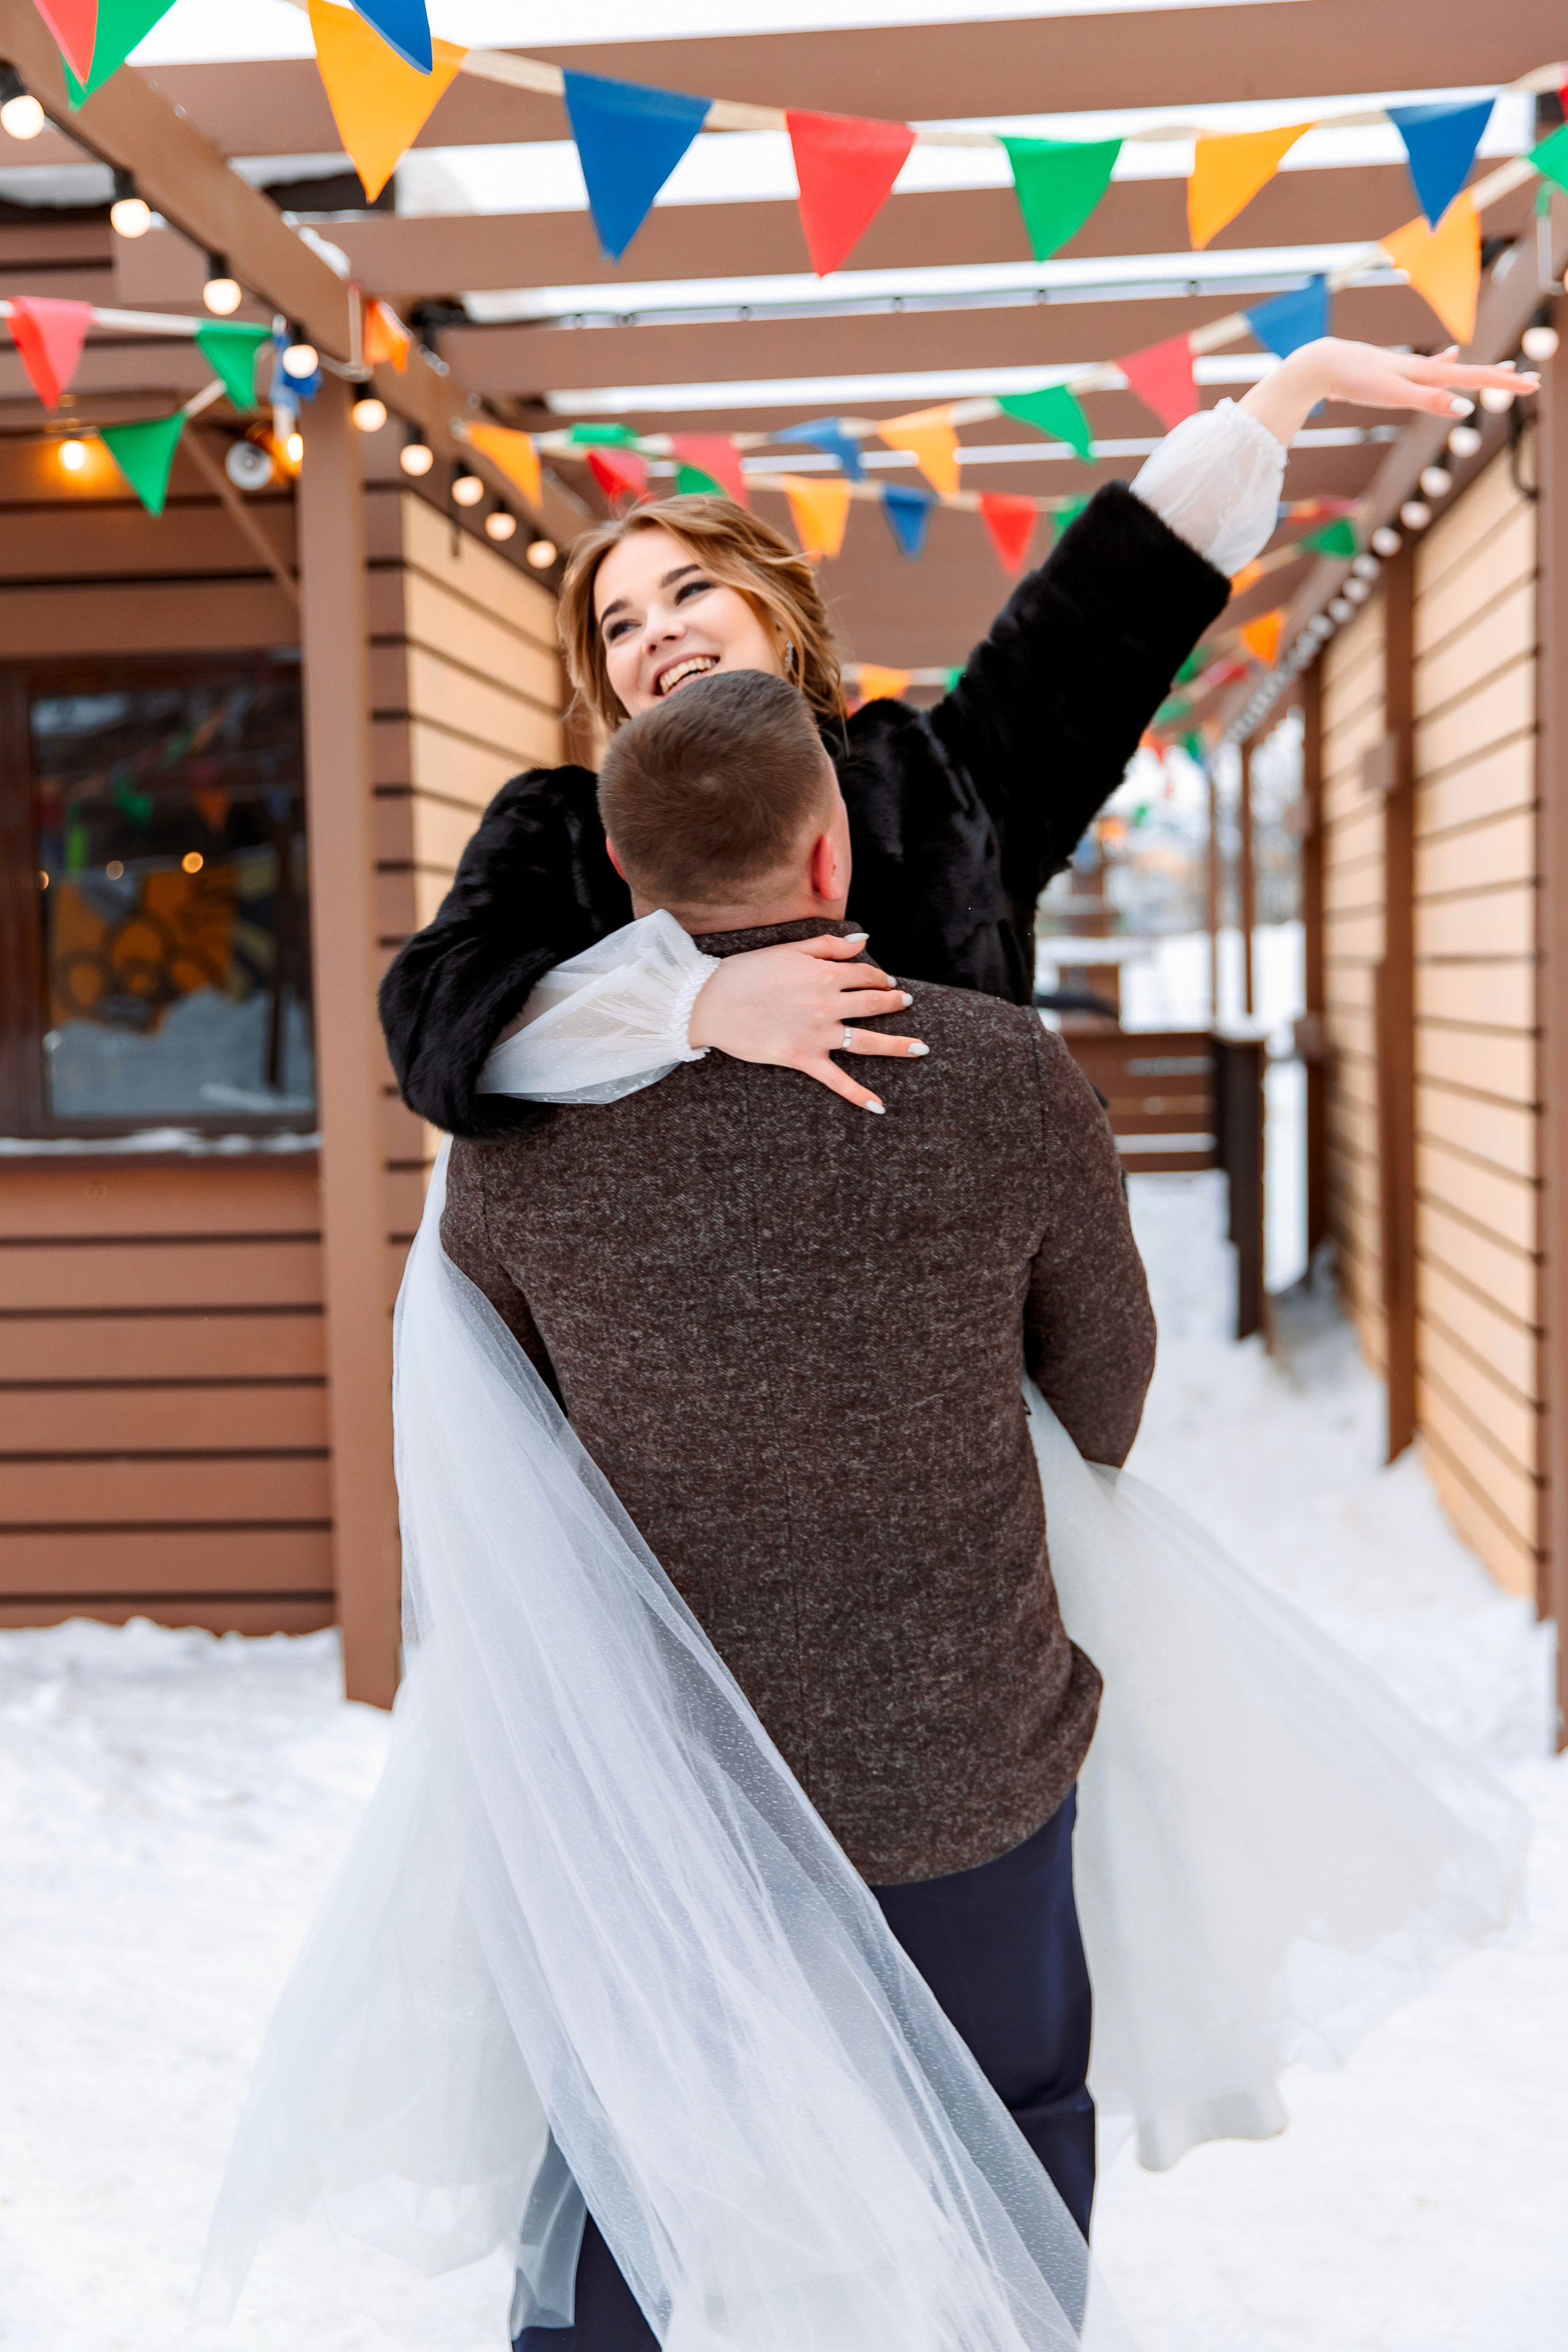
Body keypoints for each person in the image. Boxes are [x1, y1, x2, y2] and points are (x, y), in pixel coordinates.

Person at [441, 668, 1158, 2347]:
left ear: (626, 877)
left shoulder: (520, 1135)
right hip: (963, 1744)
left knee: (638, 2161)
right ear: (832, 851)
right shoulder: (999, 1072)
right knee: (1009, 2130)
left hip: (663, 1775)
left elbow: (499, 1418)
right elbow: (1103, 1381)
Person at [379, 337, 1533, 1135]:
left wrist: (1294, 386)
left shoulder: (939, 780)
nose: (657, 632)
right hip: (676, 1368)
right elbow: (439, 1028)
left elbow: (1098, 617)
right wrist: (691, 1006)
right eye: (620, 624)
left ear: (775, 614)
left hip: (953, 1325)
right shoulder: (556, 829)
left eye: (689, 591)